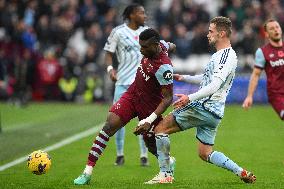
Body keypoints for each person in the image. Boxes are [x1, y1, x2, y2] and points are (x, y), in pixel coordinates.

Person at [135, 16, 256, 184]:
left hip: (204, 107)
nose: (207, 34)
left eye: (211, 31)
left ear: (221, 34)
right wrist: (184, 78)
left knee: (160, 129)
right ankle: (240, 171)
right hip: (215, 113)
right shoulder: (221, 55)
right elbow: (207, 78)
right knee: (205, 153)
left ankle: (165, 174)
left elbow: (214, 86)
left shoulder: (225, 57)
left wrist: (189, 98)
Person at [74, 28, 176, 185]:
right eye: (140, 46)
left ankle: (168, 160)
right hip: (132, 95)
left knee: (151, 144)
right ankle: (87, 172)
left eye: (144, 47)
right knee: (109, 126)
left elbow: (168, 98)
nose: (141, 50)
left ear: (154, 45)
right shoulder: (161, 45)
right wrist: (170, 46)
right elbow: (170, 45)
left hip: (149, 107)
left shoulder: (164, 67)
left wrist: (149, 119)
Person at [103, 3, 149, 166]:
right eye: (141, 13)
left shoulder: (147, 32)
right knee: (117, 121)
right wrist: (110, 69)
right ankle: (120, 154)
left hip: (143, 85)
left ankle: (144, 155)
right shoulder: (118, 32)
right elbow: (108, 53)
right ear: (132, 15)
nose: (145, 16)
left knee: (145, 120)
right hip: (122, 83)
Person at [242, 19, 284, 120]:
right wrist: (249, 96)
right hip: (277, 95)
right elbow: (256, 74)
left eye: (277, 27)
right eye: (272, 28)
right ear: (267, 34)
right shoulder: (262, 52)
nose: (276, 30)